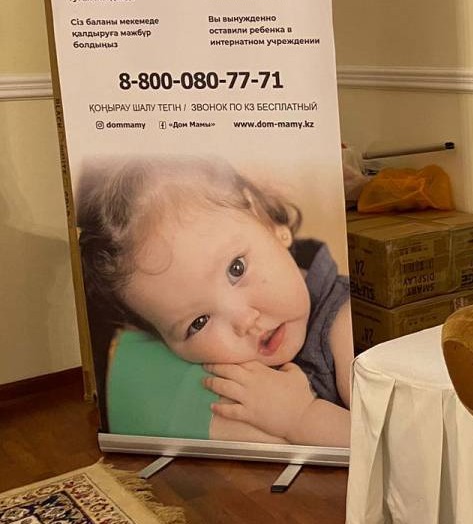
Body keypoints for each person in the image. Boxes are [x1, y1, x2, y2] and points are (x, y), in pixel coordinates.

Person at [76, 155, 351, 447]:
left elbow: (380, 442)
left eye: (236, 269)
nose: (244, 321)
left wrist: (300, 416)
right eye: (199, 322)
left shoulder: (342, 322)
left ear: (268, 222)